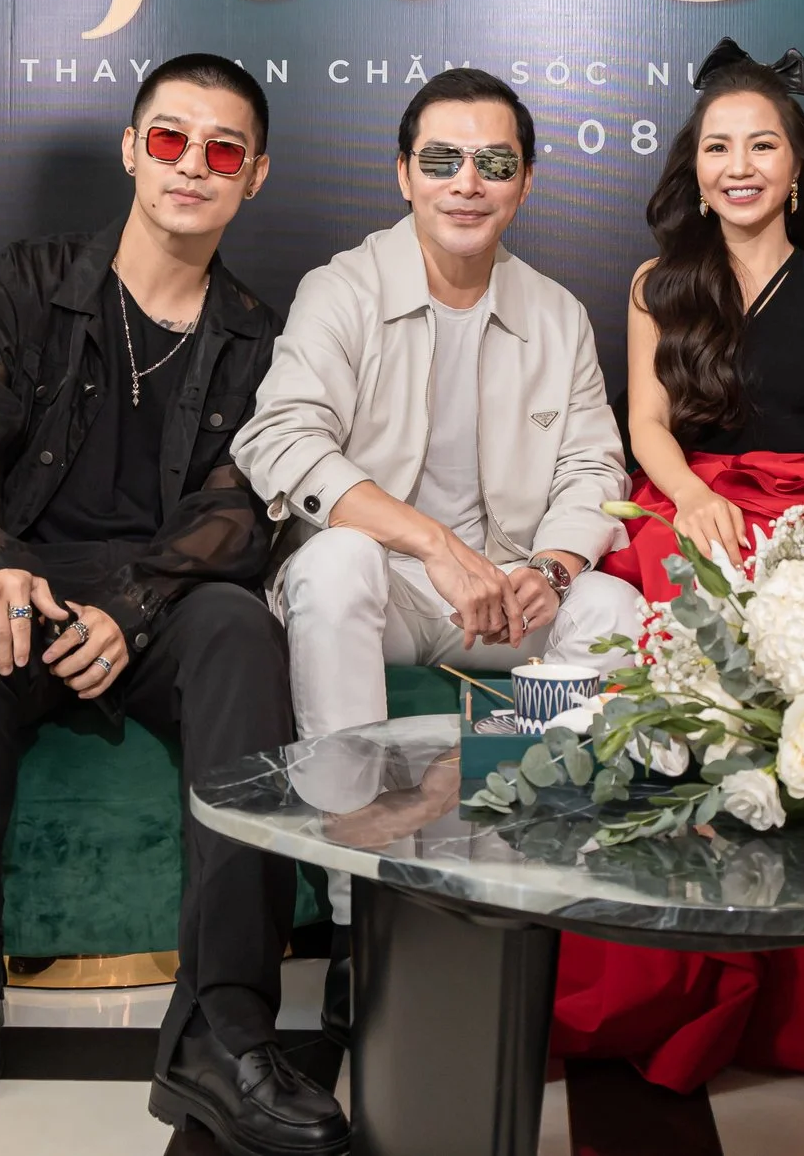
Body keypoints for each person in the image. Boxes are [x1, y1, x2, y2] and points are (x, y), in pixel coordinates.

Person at [0, 55, 348, 1156]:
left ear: (255, 176)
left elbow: (239, 507)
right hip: (24, 570)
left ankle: (224, 1028)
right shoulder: (27, 282)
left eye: (223, 150)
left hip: (166, 593)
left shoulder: (258, 335)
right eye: (172, 139)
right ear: (133, 147)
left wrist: (133, 607)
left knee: (243, 631)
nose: (194, 166)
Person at [551, 40, 804, 1091]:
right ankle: (664, 971)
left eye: (761, 145)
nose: (738, 165)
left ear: (797, 167)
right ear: (694, 168)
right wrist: (694, 495)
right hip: (688, 503)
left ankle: (796, 987)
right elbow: (646, 425)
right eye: (718, 147)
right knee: (679, 653)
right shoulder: (656, 282)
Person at [232, 68, 642, 962]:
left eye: (494, 163)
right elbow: (280, 439)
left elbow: (592, 465)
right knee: (336, 560)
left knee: (617, 611)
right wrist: (435, 545)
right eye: (442, 160)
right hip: (380, 589)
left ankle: (511, 847)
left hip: (503, 596)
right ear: (403, 174)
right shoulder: (342, 288)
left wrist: (554, 569)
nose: (467, 183)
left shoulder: (558, 313)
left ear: (525, 182)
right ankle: (361, 915)